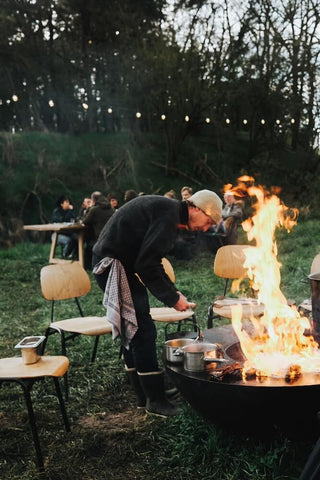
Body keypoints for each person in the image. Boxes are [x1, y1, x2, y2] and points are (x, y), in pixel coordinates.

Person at [92, 190, 222, 417]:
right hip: (113, 265)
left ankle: (145, 393)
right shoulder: (169, 216)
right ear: (197, 209)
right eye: (209, 221)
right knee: (142, 330)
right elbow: (146, 265)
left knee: (136, 327)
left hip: (118, 263)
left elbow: (152, 260)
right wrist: (173, 299)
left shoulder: (169, 213)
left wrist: (172, 292)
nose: (208, 227)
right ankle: (155, 400)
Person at [81, 191, 114, 270]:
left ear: (93, 200)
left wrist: (89, 208)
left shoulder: (94, 210)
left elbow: (85, 221)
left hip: (100, 239)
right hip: (112, 237)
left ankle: (87, 268)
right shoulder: (111, 209)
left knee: (88, 247)